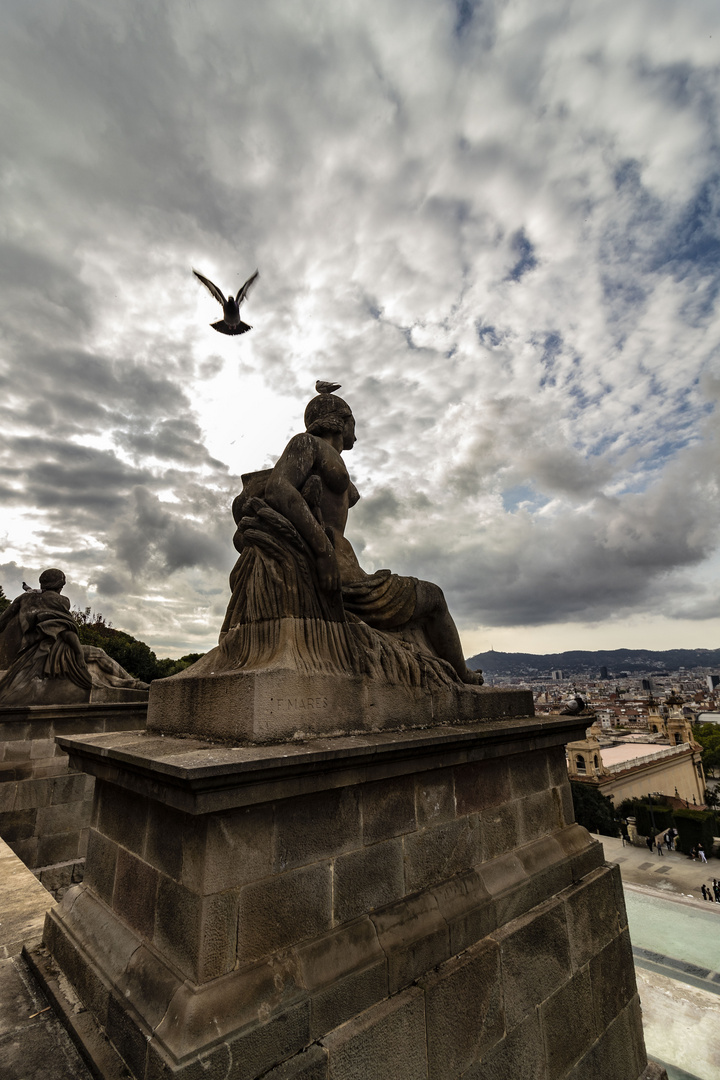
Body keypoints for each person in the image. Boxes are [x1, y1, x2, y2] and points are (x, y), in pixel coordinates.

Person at [224, 385, 484, 686]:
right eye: (353, 425)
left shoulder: (324, 455)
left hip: (343, 565)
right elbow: (279, 488)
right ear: (340, 420)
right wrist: (323, 552)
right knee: (435, 598)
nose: (356, 436)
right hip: (343, 573)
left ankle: (453, 670)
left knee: (431, 599)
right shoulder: (306, 443)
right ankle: (462, 675)